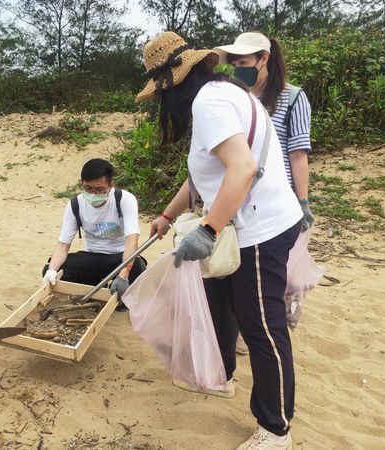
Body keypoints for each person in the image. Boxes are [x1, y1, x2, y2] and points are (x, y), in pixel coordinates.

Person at [137, 32, 302, 449]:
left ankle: (275, 428)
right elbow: (202, 174)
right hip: (239, 228)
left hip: (258, 230)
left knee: (262, 327)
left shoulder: (210, 103)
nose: (161, 103)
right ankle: (220, 375)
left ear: (173, 82)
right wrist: (168, 216)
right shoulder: (221, 94)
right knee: (220, 305)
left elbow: (242, 169)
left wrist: (208, 230)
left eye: (159, 94)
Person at [214, 32, 314, 357]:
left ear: (264, 59)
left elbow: (297, 154)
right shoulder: (235, 98)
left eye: (243, 63)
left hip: (276, 204)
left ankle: (264, 331)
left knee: (273, 273)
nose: (237, 70)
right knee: (240, 270)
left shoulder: (293, 98)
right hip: (239, 199)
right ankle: (243, 331)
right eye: (233, 64)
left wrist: (303, 201)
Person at [42, 159, 145, 309]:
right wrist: (52, 270)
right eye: (88, 188)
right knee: (51, 269)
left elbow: (132, 240)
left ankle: (115, 288)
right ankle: (98, 286)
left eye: (99, 189)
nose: (93, 194)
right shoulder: (75, 205)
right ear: (81, 184)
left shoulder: (124, 200)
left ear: (111, 185)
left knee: (136, 268)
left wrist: (124, 272)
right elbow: (63, 245)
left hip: (119, 257)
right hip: (92, 257)